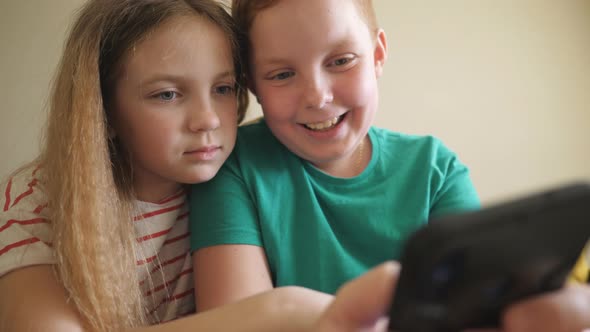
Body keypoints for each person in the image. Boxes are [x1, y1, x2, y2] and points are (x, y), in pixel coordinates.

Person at [0, 0, 402, 331]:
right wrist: (277, 310)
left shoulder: (234, 183)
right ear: (103, 111)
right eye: (168, 94)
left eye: (223, 88)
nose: (207, 119)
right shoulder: (40, 202)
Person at [189, 0, 480, 312]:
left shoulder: (436, 169)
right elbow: (239, 318)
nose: (317, 96)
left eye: (341, 61)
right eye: (283, 74)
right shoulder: (231, 163)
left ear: (377, 55)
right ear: (252, 83)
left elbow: (475, 306)